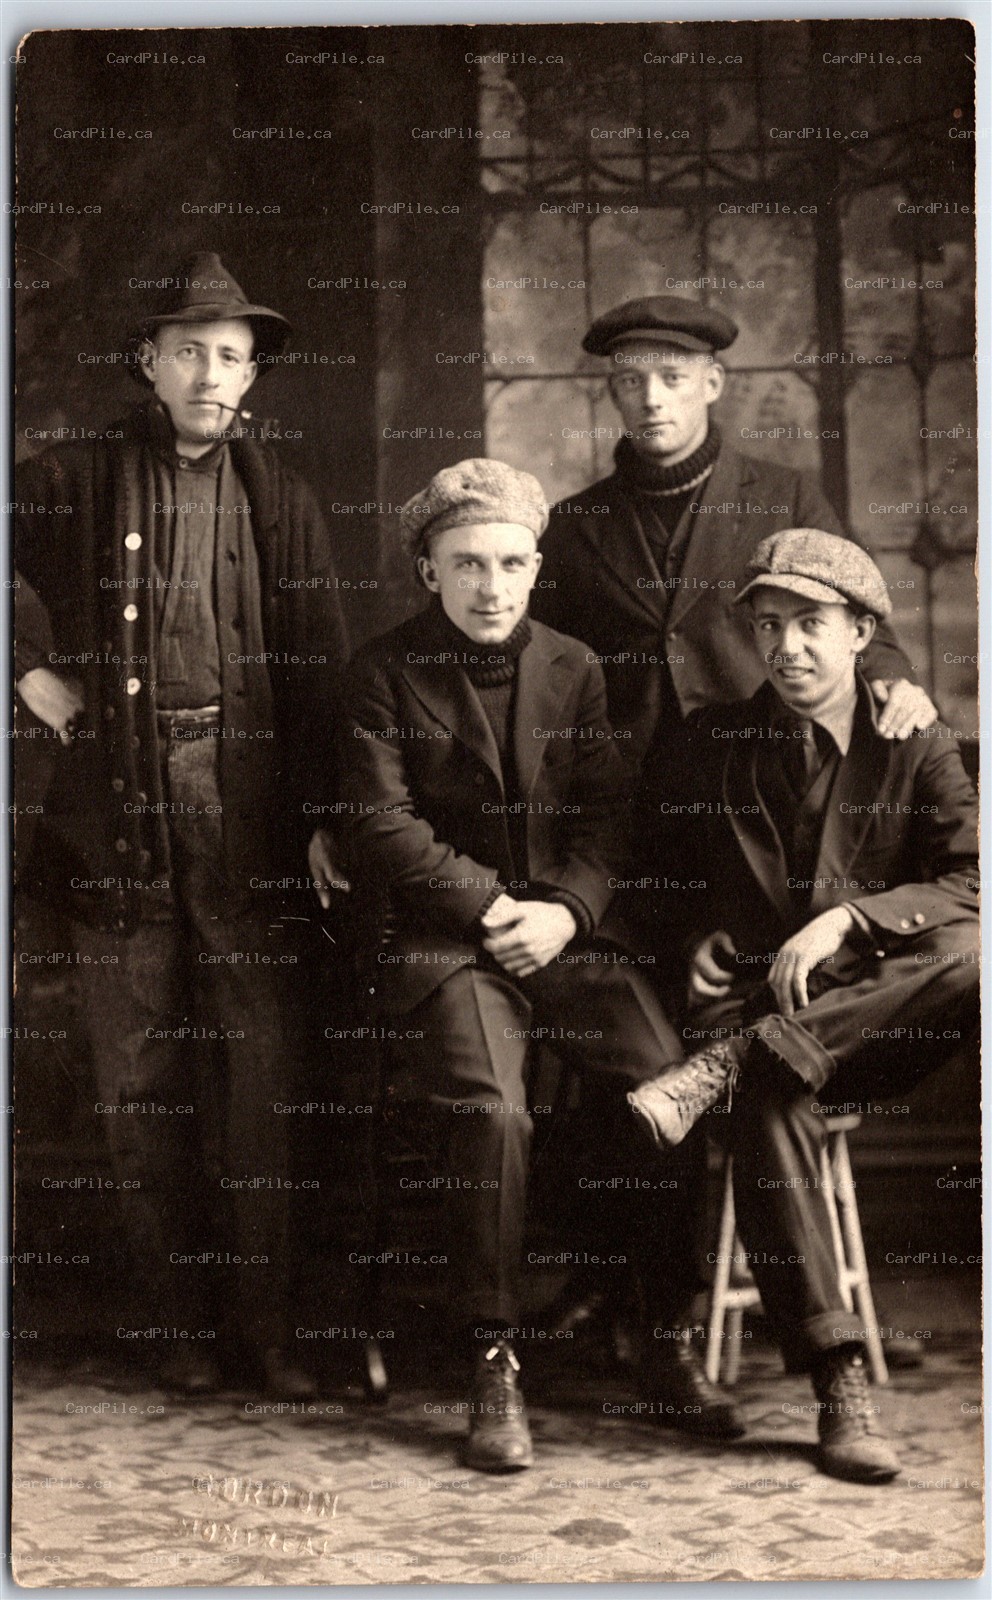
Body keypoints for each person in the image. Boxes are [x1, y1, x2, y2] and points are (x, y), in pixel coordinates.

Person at [338, 458, 744, 1472]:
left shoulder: (574, 665)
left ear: (534, 564)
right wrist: (488, 907)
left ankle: (660, 1334)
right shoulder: (379, 672)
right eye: (467, 563)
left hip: (562, 935)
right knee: (492, 1110)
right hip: (447, 942)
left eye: (512, 563)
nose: (492, 586)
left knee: (670, 1080)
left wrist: (565, 910)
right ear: (428, 570)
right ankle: (492, 1357)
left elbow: (609, 818)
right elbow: (379, 823)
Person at [14, 252, 349, 1397]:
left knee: (261, 1075)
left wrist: (324, 819)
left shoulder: (281, 497)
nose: (212, 374)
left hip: (249, 814)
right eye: (190, 352)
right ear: (146, 362)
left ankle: (265, 1329)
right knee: (141, 1074)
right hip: (116, 813)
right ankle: (173, 1325)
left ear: (251, 376)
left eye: (232, 356)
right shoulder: (70, 477)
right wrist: (26, 668)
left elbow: (320, 672)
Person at [628, 528, 979, 1484]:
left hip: (876, 1022)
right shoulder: (710, 744)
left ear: (862, 632)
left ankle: (733, 1062)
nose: (786, 647)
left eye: (811, 623)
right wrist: (688, 937)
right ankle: (838, 1379)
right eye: (769, 625)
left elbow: (973, 879)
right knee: (771, 1092)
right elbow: (642, 880)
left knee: (978, 956)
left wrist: (851, 922)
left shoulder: (912, 740)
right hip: (751, 1010)